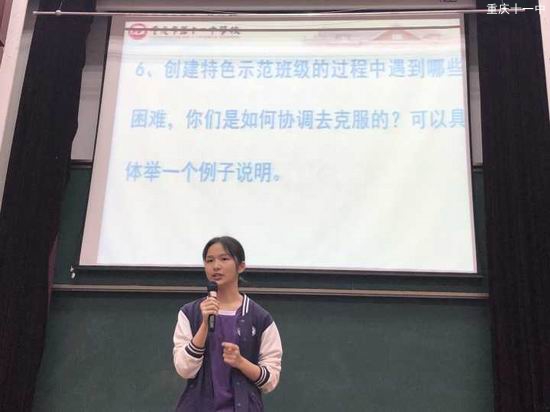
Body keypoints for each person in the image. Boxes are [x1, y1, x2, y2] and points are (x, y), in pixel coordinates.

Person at [173, 236, 283, 412]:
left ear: (241, 266)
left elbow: (270, 379)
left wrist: (241, 362)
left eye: (224, 259)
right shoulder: (189, 313)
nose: (216, 266)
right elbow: (184, 369)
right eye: (209, 260)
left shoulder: (260, 318)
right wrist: (204, 324)